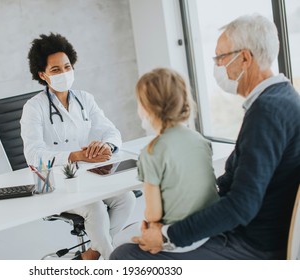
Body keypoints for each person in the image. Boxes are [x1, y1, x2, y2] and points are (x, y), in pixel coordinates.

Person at [110, 14, 300, 260]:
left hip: (251, 246)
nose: (217, 65)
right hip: (255, 234)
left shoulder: (267, 111)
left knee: (125, 255)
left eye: (221, 57)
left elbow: (242, 206)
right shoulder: (283, 99)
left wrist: (168, 235)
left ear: (244, 58)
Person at [21, 33, 135, 260]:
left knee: (127, 198)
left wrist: (106, 147)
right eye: (55, 70)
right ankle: (112, 261)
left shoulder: (85, 99)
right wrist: (76, 155)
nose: (64, 73)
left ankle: (90, 255)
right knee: (95, 209)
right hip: (54, 182)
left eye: (67, 67)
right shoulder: (34, 108)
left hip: (88, 176)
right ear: (43, 75)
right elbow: (34, 156)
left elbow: (112, 133)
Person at [112, 68, 219, 252]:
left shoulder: (152, 152)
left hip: (175, 239)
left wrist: (149, 226)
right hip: (207, 231)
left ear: (149, 108)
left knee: (117, 241)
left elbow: (153, 214)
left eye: (139, 103)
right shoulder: (200, 140)